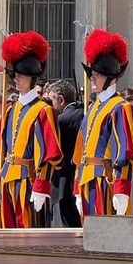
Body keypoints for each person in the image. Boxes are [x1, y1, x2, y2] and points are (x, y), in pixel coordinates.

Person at [0, 31, 63, 228]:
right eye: (15, 75)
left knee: (28, 233)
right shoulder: (9, 109)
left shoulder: (43, 110)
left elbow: (49, 153)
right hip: (7, 177)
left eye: (21, 75)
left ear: (32, 78)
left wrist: (42, 184)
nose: (16, 79)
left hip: (28, 180)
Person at [73, 28, 133, 220]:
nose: (92, 77)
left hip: (106, 181)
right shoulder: (93, 107)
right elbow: (80, 151)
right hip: (87, 179)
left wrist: (122, 190)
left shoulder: (121, 107)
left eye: (98, 73)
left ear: (111, 77)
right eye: (92, 73)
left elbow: (125, 153)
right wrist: (77, 186)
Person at [48, 80, 83, 227]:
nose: (50, 106)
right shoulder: (85, 112)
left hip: (64, 175)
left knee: (65, 221)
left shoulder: (61, 120)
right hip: (81, 174)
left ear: (61, 99)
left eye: (51, 100)